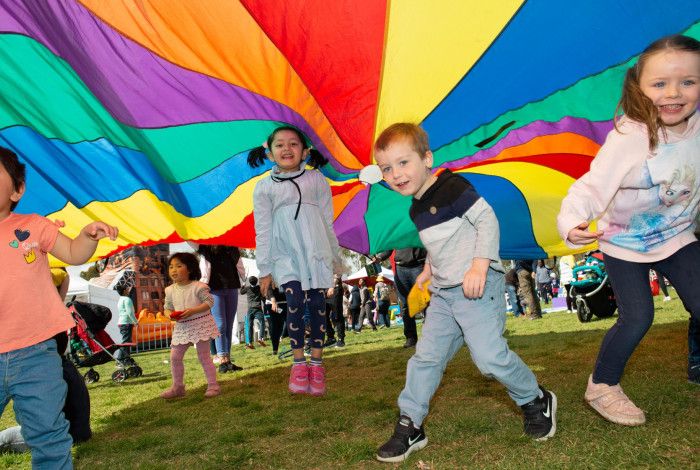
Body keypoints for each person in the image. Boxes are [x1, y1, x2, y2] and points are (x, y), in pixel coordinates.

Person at [373, 123, 556, 462]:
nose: (395, 174)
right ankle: (410, 423)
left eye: (403, 163)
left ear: (427, 158)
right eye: (386, 168)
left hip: (477, 286)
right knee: (426, 358)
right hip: (443, 294)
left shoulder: (452, 186)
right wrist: (428, 272)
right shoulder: (415, 206)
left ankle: (534, 398)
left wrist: (479, 266)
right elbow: (442, 242)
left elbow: (487, 221)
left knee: (489, 360)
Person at [557, 35, 700, 426]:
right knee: (638, 318)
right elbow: (590, 186)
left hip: (676, 234)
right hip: (624, 242)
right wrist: (570, 222)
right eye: (659, 84)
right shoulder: (629, 138)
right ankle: (602, 386)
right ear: (639, 87)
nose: (674, 93)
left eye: (688, 81)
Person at [0, 146, 118, 469]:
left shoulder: (34, 226)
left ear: (17, 190)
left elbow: (73, 252)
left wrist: (87, 236)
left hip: (35, 355)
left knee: (49, 437)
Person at [248, 125, 342, 396]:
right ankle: (298, 363)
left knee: (316, 303)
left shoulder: (317, 181)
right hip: (285, 254)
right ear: (269, 154)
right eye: (279, 145)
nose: (286, 149)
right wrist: (264, 269)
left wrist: (334, 258)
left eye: (293, 144)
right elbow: (262, 229)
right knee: (294, 302)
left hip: (315, 252)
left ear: (305, 151)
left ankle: (317, 362)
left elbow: (327, 221)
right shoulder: (263, 187)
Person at [160, 252, 221, 399]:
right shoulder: (169, 290)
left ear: (190, 269)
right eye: (171, 267)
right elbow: (167, 307)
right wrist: (169, 314)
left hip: (200, 325)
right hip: (182, 327)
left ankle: (213, 385)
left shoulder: (199, 286)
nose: (174, 270)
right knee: (175, 357)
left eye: (179, 266)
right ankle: (178, 387)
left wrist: (192, 311)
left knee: (204, 356)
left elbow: (209, 302)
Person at [198, 244, 244, 373]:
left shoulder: (232, 247)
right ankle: (222, 359)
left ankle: (227, 360)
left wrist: (244, 278)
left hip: (232, 287)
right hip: (214, 289)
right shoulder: (206, 248)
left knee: (229, 325)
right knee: (220, 324)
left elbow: (239, 263)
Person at [374, 248, 427, 347]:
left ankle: (431, 336)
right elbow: (389, 247)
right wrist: (380, 258)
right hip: (400, 269)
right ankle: (410, 338)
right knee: (405, 305)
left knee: (425, 302)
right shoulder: (395, 232)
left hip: (418, 265)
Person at [240, 276, 267, 349]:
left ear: (250, 282)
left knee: (249, 326)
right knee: (262, 323)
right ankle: (260, 338)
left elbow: (241, 292)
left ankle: (249, 342)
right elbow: (263, 298)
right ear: (256, 281)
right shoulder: (259, 288)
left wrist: (243, 285)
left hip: (250, 309)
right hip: (258, 308)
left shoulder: (247, 288)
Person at [115, 284, 137, 363]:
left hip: (122, 322)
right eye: (127, 289)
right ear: (124, 291)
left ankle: (126, 359)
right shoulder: (127, 299)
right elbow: (130, 313)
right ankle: (120, 359)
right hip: (126, 322)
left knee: (127, 342)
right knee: (126, 342)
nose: (128, 290)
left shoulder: (120, 299)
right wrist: (136, 322)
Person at [266, 283, 288, 355]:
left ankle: (299, 346)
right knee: (276, 326)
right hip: (273, 304)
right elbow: (268, 287)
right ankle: (275, 349)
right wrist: (273, 300)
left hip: (285, 302)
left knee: (289, 323)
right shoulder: (271, 274)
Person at [330, 275, 346, 348]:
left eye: (335, 278)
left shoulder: (338, 288)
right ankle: (337, 339)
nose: (333, 279)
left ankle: (341, 340)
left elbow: (336, 302)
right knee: (335, 320)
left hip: (338, 310)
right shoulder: (334, 288)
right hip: (335, 309)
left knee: (338, 320)